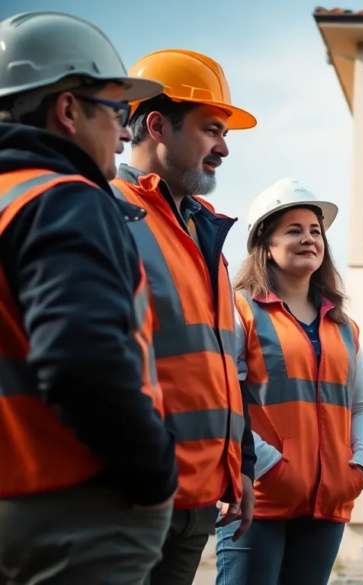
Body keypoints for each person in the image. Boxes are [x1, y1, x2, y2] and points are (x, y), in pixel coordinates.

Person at [0, 11, 178, 583]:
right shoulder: (63, 198)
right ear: (68, 109)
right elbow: (82, 361)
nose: (125, 133)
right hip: (73, 509)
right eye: (117, 112)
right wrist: (155, 474)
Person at [110, 48, 258, 585]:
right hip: (132, 496)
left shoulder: (204, 231)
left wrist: (239, 468)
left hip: (198, 499)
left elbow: (223, 367)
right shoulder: (108, 212)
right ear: (156, 127)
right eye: (211, 130)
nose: (223, 148)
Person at [215, 178, 363, 583]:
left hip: (329, 503)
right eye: (294, 230)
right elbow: (223, 398)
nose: (309, 239)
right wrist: (270, 467)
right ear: (265, 243)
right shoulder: (239, 310)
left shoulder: (344, 326)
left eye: (315, 231)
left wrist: (359, 467)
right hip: (260, 498)